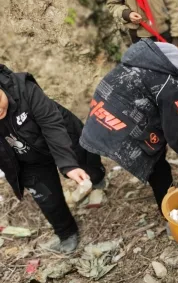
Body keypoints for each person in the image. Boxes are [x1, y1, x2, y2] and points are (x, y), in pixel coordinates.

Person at [80, 40, 178, 211]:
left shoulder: (161, 58)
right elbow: (176, 135)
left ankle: (95, 179)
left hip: (104, 101)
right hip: (122, 114)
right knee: (156, 163)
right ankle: (171, 214)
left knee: (97, 140)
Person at [0, 65, 106, 253]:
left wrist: (68, 164)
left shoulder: (23, 88)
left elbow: (51, 125)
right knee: (46, 197)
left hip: (63, 136)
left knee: (87, 167)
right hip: (28, 160)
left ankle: (98, 180)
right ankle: (66, 233)